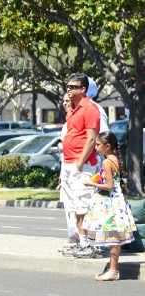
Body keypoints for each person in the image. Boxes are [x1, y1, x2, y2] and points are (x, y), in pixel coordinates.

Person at [80, 132, 136, 281]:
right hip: (117, 202)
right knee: (114, 237)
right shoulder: (114, 159)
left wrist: (91, 183)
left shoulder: (106, 162)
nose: (96, 147)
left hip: (109, 203)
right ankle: (112, 269)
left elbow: (110, 186)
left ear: (107, 146)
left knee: (112, 237)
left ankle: (113, 270)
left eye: (98, 145)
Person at [59, 74, 101, 257]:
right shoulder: (73, 109)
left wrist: (79, 163)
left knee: (84, 205)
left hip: (82, 165)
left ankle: (89, 245)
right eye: (67, 86)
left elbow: (91, 139)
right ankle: (81, 243)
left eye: (73, 87)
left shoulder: (90, 109)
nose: (69, 89)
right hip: (68, 163)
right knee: (75, 206)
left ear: (83, 89)